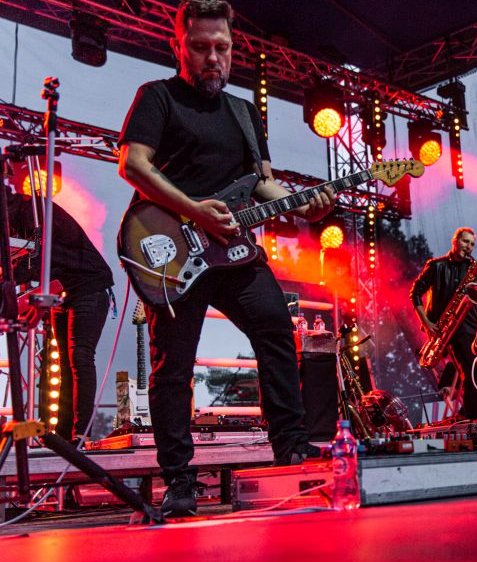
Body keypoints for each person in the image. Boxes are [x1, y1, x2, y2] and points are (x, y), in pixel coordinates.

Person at [118, 0, 335, 517]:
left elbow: (262, 180)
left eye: (223, 47)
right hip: (173, 250)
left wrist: (302, 202)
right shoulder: (158, 98)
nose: (214, 57)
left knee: (278, 330)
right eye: (202, 47)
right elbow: (133, 163)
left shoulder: (242, 111)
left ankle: (292, 448)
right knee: (175, 366)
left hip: (234, 251)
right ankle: (178, 479)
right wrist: (194, 209)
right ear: (179, 47)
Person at [6, 191, 114, 445]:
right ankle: (63, 435)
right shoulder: (19, 217)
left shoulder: (33, 210)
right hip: (63, 291)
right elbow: (43, 267)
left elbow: (42, 260)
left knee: (80, 356)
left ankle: (81, 433)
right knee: (64, 362)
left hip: (89, 286)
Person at [409, 227, 477, 420]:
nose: (468, 247)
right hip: (445, 328)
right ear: (455, 241)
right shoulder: (436, 265)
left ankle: (467, 414)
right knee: (472, 371)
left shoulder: (474, 268)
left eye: (471, 244)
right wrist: (426, 323)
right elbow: (415, 293)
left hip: (470, 327)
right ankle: (473, 419)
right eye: (465, 241)